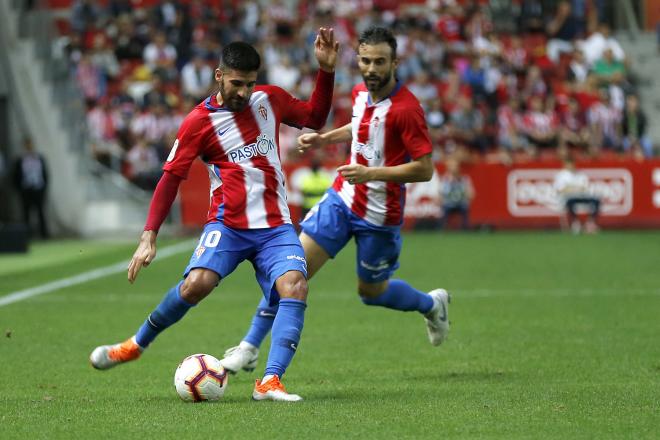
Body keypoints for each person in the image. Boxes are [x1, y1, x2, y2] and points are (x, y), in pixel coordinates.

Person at [89, 29, 339, 403]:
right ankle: (135, 345)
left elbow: (315, 117)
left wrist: (325, 71)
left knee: (295, 285)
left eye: (250, 84)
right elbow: (172, 176)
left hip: (274, 227)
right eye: (237, 83)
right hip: (228, 225)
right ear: (219, 76)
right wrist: (149, 234)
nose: (244, 92)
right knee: (196, 285)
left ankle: (269, 381)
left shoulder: (269, 100)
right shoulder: (198, 123)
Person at [220, 27, 450, 376]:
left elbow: (425, 169)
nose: (371, 69)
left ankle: (431, 305)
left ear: (395, 63)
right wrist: (324, 138)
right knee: (290, 272)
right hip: (341, 200)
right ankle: (249, 347)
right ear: (357, 60)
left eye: (380, 62)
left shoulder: (408, 110)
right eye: (365, 60)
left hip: (379, 214)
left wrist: (371, 174)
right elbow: (360, 127)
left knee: (371, 292)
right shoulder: (359, 92)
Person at [12, 138, 49, 239]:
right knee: (26, 214)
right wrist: (19, 189)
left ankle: (44, 235)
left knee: (41, 212)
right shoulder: (20, 160)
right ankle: (27, 236)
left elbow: (45, 174)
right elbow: (15, 176)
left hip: (38, 189)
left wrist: (43, 187)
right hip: (26, 190)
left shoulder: (39, 158)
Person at [553, 157, 600, 234]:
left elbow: (585, 187)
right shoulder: (561, 175)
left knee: (596, 201)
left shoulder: (580, 174)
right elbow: (560, 189)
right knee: (570, 202)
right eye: (569, 164)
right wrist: (575, 188)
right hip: (568, 198)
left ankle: (590, 223)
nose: (571, 165)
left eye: (572, 164)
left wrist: (570, 188)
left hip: (581, 196)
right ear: (565, 165)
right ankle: (575, 222)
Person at [438, 158, 474, 230]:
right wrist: (441, 201)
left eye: (454, 166)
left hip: (461, 204)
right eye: (451, 166)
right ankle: (442, 229)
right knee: (444, 209)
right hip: (448, 204)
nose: (453, 168)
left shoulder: (464, 179)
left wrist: (468, 196)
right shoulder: (444, 179)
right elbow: (440, 194)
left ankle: (466, 228)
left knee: (465, 207)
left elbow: (471, 193)